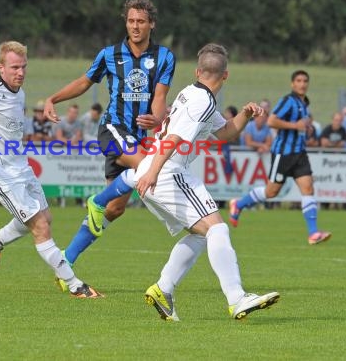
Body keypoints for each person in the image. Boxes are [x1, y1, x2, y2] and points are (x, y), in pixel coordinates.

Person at [96, 44, 279, 320]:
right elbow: (174, 139)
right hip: (167, 170)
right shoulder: (202, 101)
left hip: (160, 169)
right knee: (217, 230)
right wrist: (153, 172)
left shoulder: (193, 93)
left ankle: (163, 288)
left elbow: (226, 132)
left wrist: (246, 114)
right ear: (225, 76)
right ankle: (237, 298)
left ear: (197, 71)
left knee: (201, 234)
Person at [0, 41, 101, 298]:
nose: (20, 72)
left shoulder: (19, 92)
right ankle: (75, 285)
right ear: (1, 67)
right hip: (0, 175)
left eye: (23, 67)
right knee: (40, 226)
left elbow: (0, 129)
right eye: (14, 67)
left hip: (21, 168)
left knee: (45, 219)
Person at [44, 0, 174, 267]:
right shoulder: (109, 54)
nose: (135, 26)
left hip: (138, 136)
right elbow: (84, 82)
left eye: (140, 21)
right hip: (113, 127)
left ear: (152, 24)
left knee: (115, 209)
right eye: (130, 21)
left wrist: (158, 119)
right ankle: (96, 201)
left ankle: (65, 261)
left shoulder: (164, 57)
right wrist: (53, 99)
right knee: (144, 166)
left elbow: (160, 97)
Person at [229, 70, 332, 245]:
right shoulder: (288, 101)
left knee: (308, 188)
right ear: (293, 84)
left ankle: (313, 233)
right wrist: (296, 125)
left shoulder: (304, 103)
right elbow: (271, 121)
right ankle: (239, 204)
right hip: (283, 153)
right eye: (298, 80)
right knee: (271, 192)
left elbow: (300, 125)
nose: (302, 83)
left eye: (305, 80)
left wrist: (305, 129)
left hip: (299, 153)